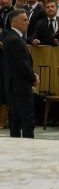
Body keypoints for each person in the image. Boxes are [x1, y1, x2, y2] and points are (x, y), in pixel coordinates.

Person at [2, 10, 39, 138]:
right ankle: (28, 143)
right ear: (15, 22)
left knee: (16, 118)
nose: (28, 22)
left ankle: (16, 142)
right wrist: (33, 77)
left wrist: (33, 73)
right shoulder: (14, 39)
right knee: (27, 118)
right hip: (20, 84)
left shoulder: (13, 37)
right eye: (25, 20)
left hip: (15, 84)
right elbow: (21, 64)